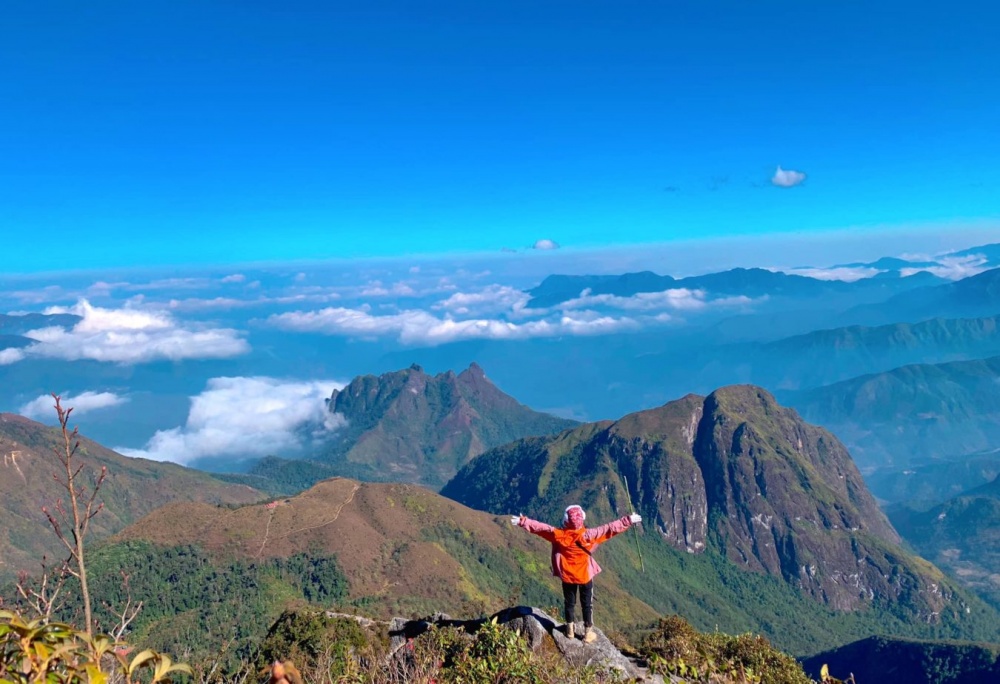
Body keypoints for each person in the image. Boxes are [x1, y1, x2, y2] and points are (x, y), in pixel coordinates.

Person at [510, 504, 641, 643]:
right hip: (584, 575)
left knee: (569, 603)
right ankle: (587, 633)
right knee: (587, 604)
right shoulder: (589, 535)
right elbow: (610, 528)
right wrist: (629, 520)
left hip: (567, 575)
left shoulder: (558, 535)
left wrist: (523, 521)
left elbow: (541, 528)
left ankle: (570, 630)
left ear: (566, 520)